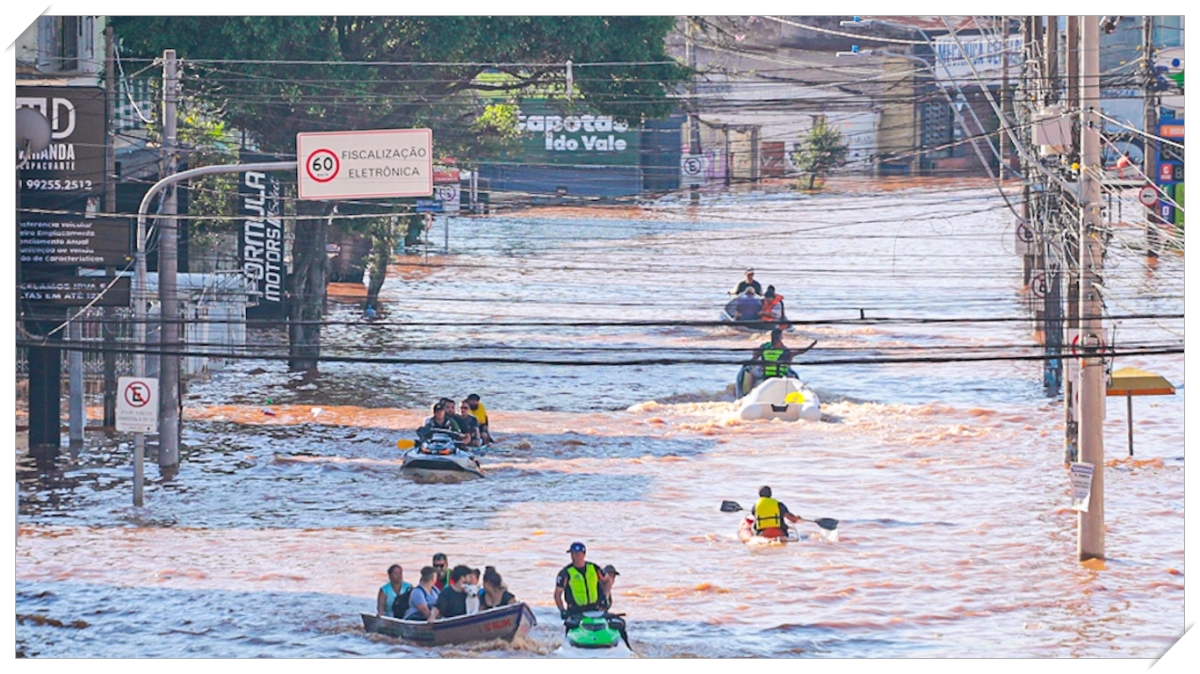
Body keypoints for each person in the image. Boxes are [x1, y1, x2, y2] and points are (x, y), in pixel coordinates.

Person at [554, 541, 609, 619]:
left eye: (577, 554)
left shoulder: (594, 568)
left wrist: (605, 597)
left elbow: (607, 581)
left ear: (583, 554)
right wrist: (562, 610)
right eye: (572, 554)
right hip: (576, 611)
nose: (574, 556)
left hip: (595, 608)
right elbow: (557, 594)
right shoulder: (565, 573)